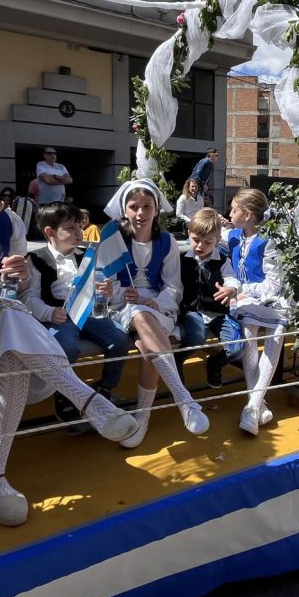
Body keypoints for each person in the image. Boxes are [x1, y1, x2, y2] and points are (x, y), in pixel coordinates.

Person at [0, 137, 138, 527]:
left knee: (12, 345)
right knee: (5, 312)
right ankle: (87, 400)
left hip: (1, 318)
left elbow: (18, 288)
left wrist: (20, 275)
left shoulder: (11, 221)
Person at [95, 178, 210, 448]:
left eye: (147, 206)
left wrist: (157, 302)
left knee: (148, 347)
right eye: (134, 207)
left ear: (156, 210)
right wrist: (122, 293)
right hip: (124, 309)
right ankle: (184, 399)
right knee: (139, 314)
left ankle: (142, 418)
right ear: (125, 210)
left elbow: (174, 286)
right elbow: (102, 284)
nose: (140, 213)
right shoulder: (113, 240)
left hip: (159, 309)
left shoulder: (167, 241)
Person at [26, 202, 132, 430]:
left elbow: (102, 286)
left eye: (79, 227)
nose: (79, 233)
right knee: (66, 349)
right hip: (59, 315)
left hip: (87, 311)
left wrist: (107, 291)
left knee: (120, 340)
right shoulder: (36, 259)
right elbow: (30, 298)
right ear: (50, 232)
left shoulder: (88, 255)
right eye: (71, 228)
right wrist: (49, 312)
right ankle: (65, 394)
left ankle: (104, 388)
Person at [214, 189, 287, 435]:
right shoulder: (233, 235)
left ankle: (253, 404)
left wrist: (245, 290)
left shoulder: (268, 241)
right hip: (243, 302)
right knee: (249, 329)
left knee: (276, 333)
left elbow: (273, 284)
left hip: (266, 298)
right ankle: (257, 406)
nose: (229, 213)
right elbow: (209, 234)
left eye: (233, 210)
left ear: (246, 214)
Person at [178, 207, 242, 387]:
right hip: (192, 311)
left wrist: (231, 289)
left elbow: (231, 278)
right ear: (189, 234)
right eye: (196, 240)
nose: (200, 246)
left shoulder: (222, 260)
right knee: (197, 336)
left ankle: (215, 362)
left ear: (217, 240)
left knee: (237, 348)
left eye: (207, 242)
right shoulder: (183, 259)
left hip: (217, 313)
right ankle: (177, 359)